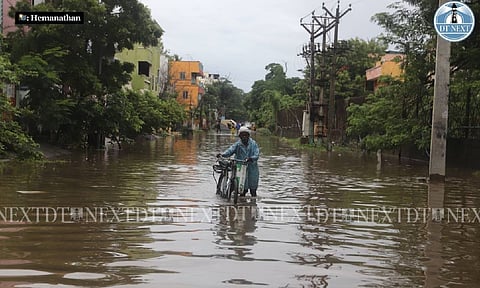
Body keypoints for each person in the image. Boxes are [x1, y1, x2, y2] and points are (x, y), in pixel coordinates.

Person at [217, 126, 260, 197]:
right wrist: (222, 155)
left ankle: (253, 205)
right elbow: (230, 151)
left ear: (248, 136)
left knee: (253, 189)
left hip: (252, 168)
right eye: (242, 135)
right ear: (240, 136)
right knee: (241, 188)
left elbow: (257, 154)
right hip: (240, 167)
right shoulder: (238, 144)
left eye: (246, 135)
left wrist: (251, 158)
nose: (244, 137)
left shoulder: (253, 144)